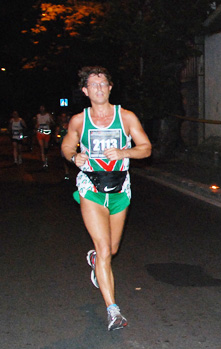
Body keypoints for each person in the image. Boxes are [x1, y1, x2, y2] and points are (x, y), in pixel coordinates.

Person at [61, 66, 152, 331]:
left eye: (104, 83)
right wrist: (73, 156)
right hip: (91, 187)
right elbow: (67, 144)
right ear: (85, 91)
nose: (99, 88)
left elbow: (145, 149)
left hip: (120, 188)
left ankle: (95, 259)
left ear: (110, 88)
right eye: (94, 84)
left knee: (111, 250)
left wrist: (125, 152)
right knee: (104, 250)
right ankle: (113, 310)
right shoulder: (79, 120)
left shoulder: (126, 117)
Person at [55, 112, 70, 179]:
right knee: (64, 158)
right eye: (62, 117)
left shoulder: (70, 125)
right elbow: (57, 134)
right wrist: (57, 138)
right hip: (63, 144)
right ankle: (66, 172)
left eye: (65, 117)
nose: (64, 118)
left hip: (70, 144)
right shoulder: (59, 126)